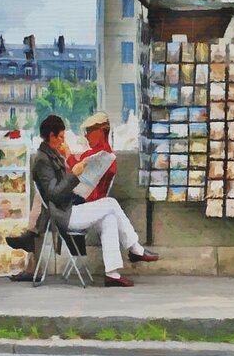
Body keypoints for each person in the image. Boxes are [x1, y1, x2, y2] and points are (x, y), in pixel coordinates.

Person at [34, 115, 158, 287]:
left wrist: (71, 168)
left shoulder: (52, 156)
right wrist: (74, 174)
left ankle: (112, 274)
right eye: (61, 137)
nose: (64, 142)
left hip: (71, 207)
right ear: (52, 137)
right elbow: (54, 194)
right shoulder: (42, 160)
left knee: (110, 218)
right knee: (111, 203)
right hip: (65, 214)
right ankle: (135, 248)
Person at [6, 113, 117, 280]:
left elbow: (70, 183)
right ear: (52, 136)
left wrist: (70, 161)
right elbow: (62, 186)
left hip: (75, 204)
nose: (86, 136)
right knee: (44, 196)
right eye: (61, 137)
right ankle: (132, 252)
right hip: (71, 205)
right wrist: (71, 168)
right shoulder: (49, 159)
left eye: (89, 132)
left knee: (42, 197)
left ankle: (31, 236)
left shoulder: (62, 156)